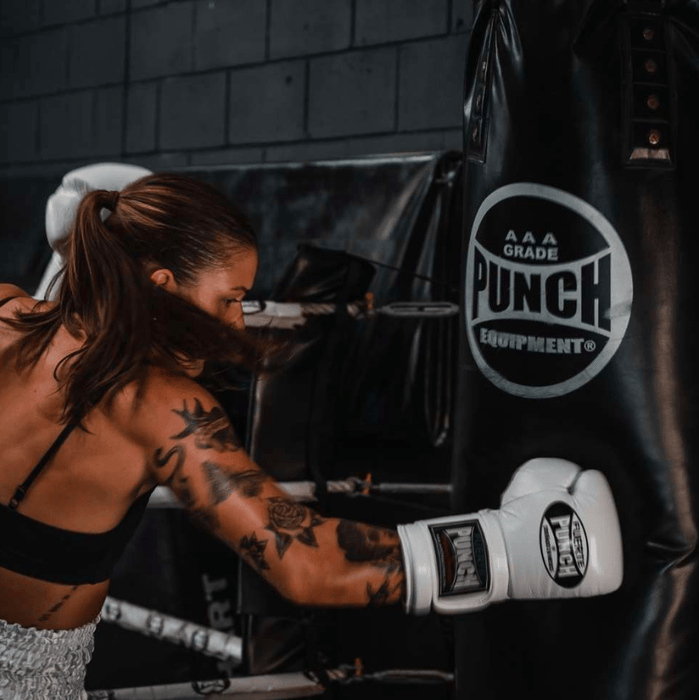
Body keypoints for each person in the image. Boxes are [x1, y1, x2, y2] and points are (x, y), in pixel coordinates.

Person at [0, 171, 623, 699]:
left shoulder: (6, 310)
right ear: (159, 286)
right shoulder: (158, 408)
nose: (238, 322)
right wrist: (509, 551)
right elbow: (305, 564)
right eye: (229, 299)